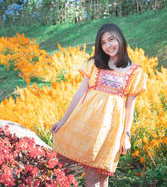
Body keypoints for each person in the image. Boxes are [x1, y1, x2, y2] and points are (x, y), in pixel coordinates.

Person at [51, 23, 147, 187]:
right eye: (103, 43)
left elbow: (129, 107)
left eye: (111, 39)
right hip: (88, 123)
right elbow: (79, 94)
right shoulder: (95, 64)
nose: (108, 45)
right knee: (90, 176)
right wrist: (63, 120)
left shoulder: (135, 72)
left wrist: (127, 135)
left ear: (120, 39)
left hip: (111, 128)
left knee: (104, 175)